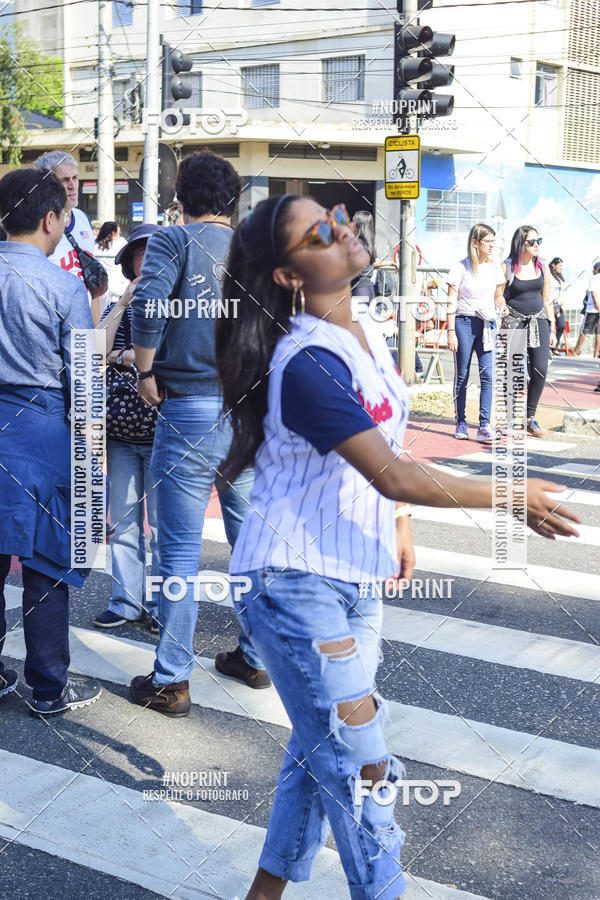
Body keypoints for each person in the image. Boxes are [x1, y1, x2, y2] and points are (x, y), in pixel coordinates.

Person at [214, 194, 579, 900]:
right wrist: (512, 492)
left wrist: (399, 526)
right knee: (365, 767)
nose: (342, 229)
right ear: (289, 276)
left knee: (321, 749)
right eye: (318, 232)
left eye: (338, 218)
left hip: (355, 574)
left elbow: (387, 444)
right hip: (294, 587)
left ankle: (262, 895)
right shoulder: (305, 362)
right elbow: (393, 471)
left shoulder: (366, 331)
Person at [129, 150, 266, 718]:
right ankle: (256, 657)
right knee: (252, 542)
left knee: (179, 550)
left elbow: (148, 304)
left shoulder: (173, 240)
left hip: (189, 407)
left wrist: (143, 369)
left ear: (181, 197)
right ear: (233, 200)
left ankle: (173, 679)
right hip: (248, 414)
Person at [0, 167, 102, 716]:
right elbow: (85, 389)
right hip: (42, 434)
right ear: (49, 219)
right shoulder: (66, 286)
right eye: (65, 214)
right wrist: (96, 477)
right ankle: (47, 687)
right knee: (46, 565)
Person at [93, 224, 161, 632]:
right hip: (119, 432)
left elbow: (160, 354)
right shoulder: (122, 302)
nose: (145, 262)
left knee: (165, 529)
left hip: (162, 431)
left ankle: (157, 602)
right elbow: (94, 347)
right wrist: (123, 307)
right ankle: (125, 601)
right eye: (138, 255)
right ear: (128, 263)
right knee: (123, 522)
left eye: (153, 253)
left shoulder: (176, 303)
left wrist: (122, 355)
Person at [447, 223, 508, 442]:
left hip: (487, 325)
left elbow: (498, 295)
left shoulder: (495, 268)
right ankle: (460, 422)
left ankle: (484, 425)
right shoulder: (460, 268)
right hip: (464, 323)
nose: (492, 245)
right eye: (488, 241)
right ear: (475, 243)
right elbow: (451, 300)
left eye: (494, 241)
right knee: (462, 374)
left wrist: (501, 305)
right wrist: (450, 331)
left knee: (488, 375)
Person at [34, 150, 105, 325]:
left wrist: (96, 337)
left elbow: (92, 285)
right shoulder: (35, 223)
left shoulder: (83, 218)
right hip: (51, 323)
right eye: (64, 180)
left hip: (83, 324)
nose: (72, 185)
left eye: (75, 178)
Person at [501, 225, 556, 437]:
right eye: (531, 242)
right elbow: (498, 295)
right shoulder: (506, 267)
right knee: (514, 372)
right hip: (514, 321)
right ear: (520, 244)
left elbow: (546, 298)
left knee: (540, 369)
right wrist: (501, 306)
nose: (536, 245)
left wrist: (551, 327)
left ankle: (529, 418)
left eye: (538, 241)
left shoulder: (542, 266)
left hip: (539, 320)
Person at [94, 220, 129, 311]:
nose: (120, 234)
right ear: (113, 233)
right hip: (117, 285)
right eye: (119, 232)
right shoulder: (120, 243)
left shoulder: (95, 245)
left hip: (99, 285)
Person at [573, 261, 600, 358]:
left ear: (597, 269)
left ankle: (575, 352)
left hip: (592, 309)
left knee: (584, 330)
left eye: (594, 268)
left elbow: (593, 293)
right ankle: (596, 355)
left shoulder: (594, 278)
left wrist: (597, 306)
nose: (593, 270)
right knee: (598, 332)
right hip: (597, 308)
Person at [350, 210, 376, 302]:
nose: (350, 224)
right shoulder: (369, 244)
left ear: (359, 225)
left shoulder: (357, 244)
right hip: (369, 289)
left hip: (359, 290)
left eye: (353, 221)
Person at [549, 257, 567, 353]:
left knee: (561, 325)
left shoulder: (560, 277)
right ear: (553, 265)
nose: (561, 268)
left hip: (559, 305)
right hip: (550, 304)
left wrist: (563, 305)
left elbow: (562, 292)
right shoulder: (549, 277)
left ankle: (554, 345)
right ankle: (550, 346)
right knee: (549, 326)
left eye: (561, 266)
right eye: (559, 265)